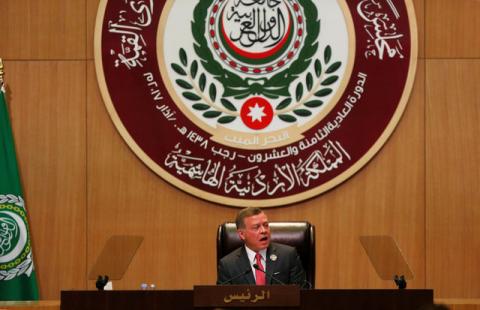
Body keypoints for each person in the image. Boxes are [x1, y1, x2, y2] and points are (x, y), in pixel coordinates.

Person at [217, 207, 306, 286]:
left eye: (266, 225)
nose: (264, 231)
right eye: (256, 227)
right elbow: (222, 301)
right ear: (242, 234)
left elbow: (301, 295)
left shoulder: (288, 256)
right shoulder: (228, 265)